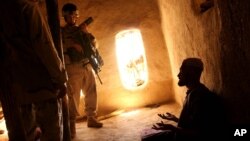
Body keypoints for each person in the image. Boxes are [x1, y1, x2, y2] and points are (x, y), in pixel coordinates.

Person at [0, 0, 67, 140]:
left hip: (18, 89)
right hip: (42, 85)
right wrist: (60, 78)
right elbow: (44, 46)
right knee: (51, 134)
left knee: (28, 135)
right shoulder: (27, 8)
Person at [142, 58, 227, 141]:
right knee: (145, 137)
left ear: (191, 73)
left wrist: (173, 128)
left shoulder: (199, 98)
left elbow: (199, 133)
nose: (178, 75)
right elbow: (193, 123)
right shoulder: (194, 92)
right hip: (179, 133)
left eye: (181, 71)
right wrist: (175, 119)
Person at [61, 2, 103, 138]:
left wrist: (86, 33)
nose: (74, 18)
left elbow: (95, 44)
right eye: (72, 15)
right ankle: (71, 125)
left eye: (76, 15)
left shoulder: (81, 29)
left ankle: (91, 118)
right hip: (73, 68)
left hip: (86, 65)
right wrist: (72, 44)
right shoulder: (61, 32)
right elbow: (60, 46)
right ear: (65, 16)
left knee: (91, 91)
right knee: (73, 97)